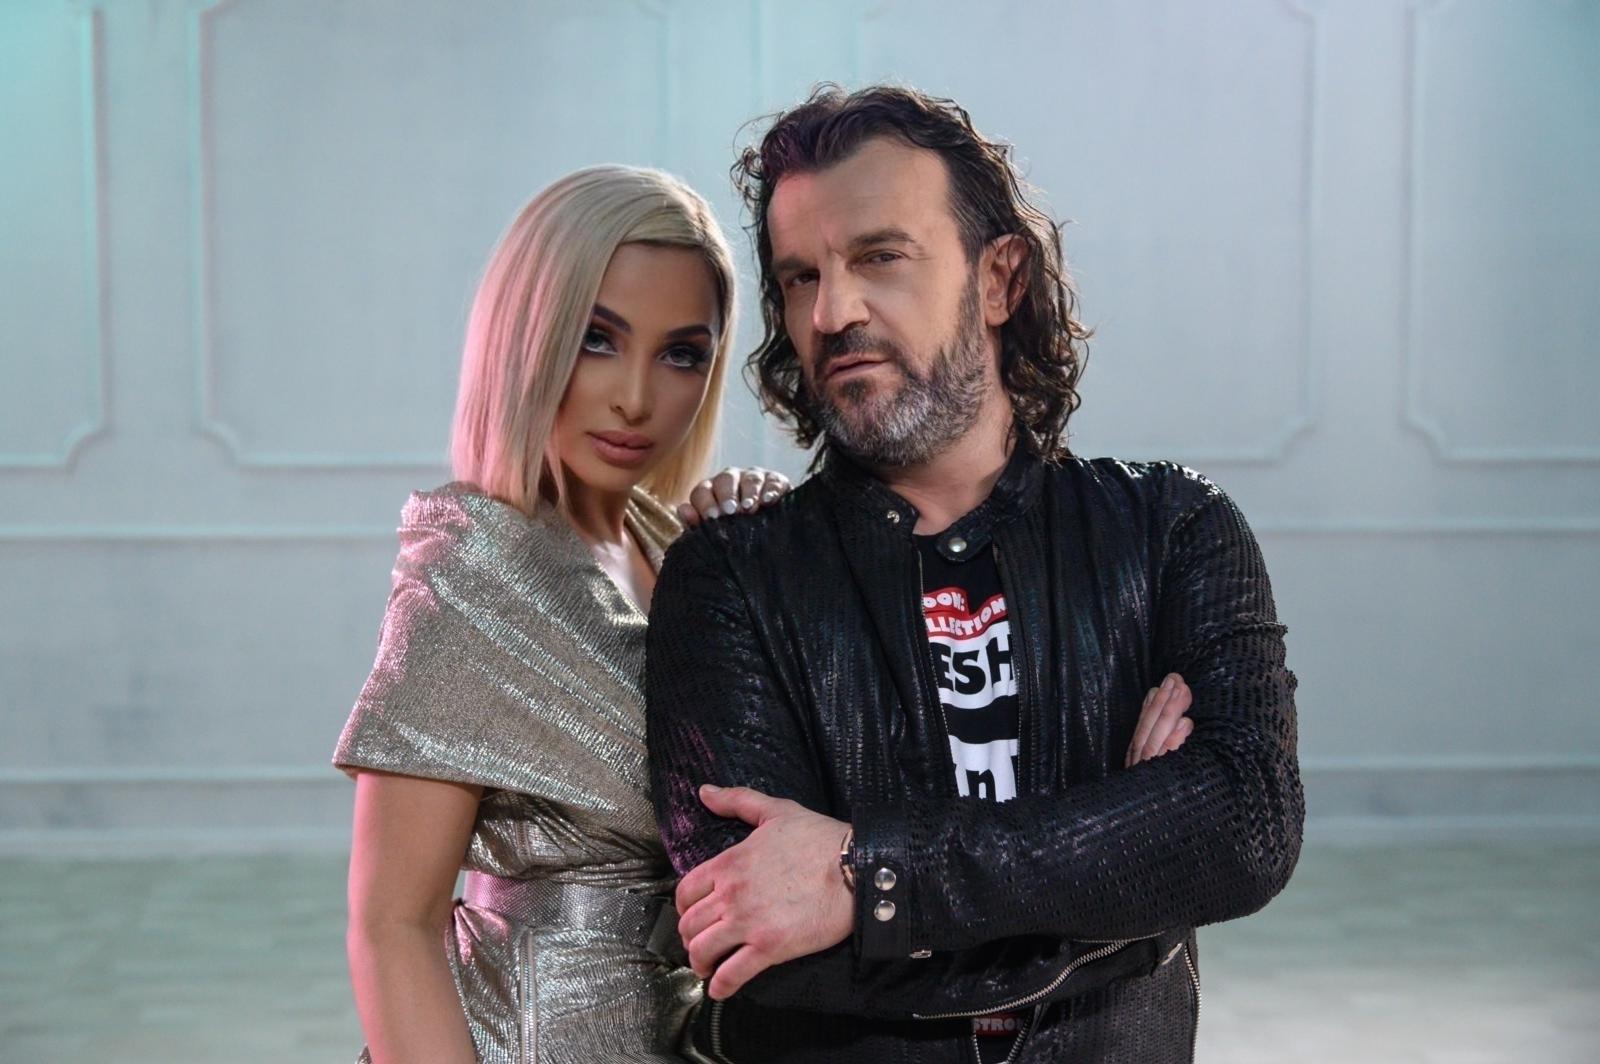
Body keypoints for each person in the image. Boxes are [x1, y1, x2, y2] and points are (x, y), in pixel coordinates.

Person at [646, 85, 1303, 1062]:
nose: (832, 311)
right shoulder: (729, 573)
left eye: (879, 256)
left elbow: (1245, 826)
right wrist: (1121, 868)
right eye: (800, 276)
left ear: (1000, 280)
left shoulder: (1173, 530)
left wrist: (868, 874)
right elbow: (757, 941)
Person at [333, 164, 792, 1064]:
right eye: (597, 340)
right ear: (527, 336)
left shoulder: (674, 546)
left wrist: (765, 556)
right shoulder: (477, 565)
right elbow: (391, 926)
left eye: (681, 354)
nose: (635, 398)